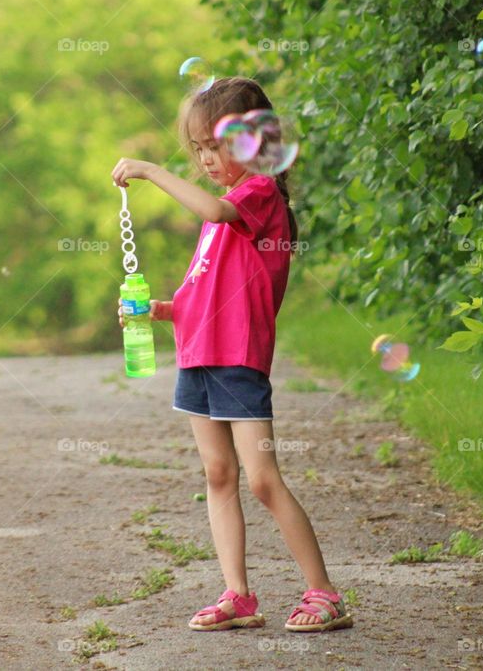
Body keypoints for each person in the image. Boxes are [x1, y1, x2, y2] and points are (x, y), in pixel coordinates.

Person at [111, 76, 353, 633]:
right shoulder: (215, 217)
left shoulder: (257, 196)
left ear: (250, 142)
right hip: (197, 356)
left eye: (213, 145)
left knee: (263, 479)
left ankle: (325, 593)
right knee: (218, 474)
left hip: (238, 360)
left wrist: (151, 170)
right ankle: (238, 595)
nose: (204, 158)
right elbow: (203, 293)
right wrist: (159, 311)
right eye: (195, 149)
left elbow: (219, 211)